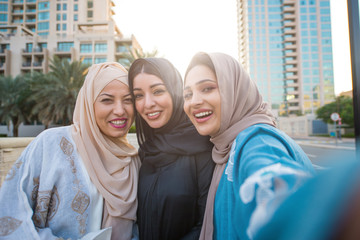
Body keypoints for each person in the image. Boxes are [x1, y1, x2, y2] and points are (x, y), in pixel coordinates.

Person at [183, 52, 316, 240]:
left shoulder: (257, 141)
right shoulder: (226, 147)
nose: (194, 101)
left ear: (234, 91)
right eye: (187, 94)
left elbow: (284, 199)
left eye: (207, 88)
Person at [0, 62, 141, 240]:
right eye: (107, 100)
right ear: (89, 104)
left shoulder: (131, 160)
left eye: (128, 100)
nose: (120, 110)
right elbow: (11, 210)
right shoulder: (51, 145)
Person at [128, 58, 214, 240]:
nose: (148, 103)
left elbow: (207, 223)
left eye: (158, 91)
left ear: (175, 91)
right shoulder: (146, 151)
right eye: (138, 95)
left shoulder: (202, 146)